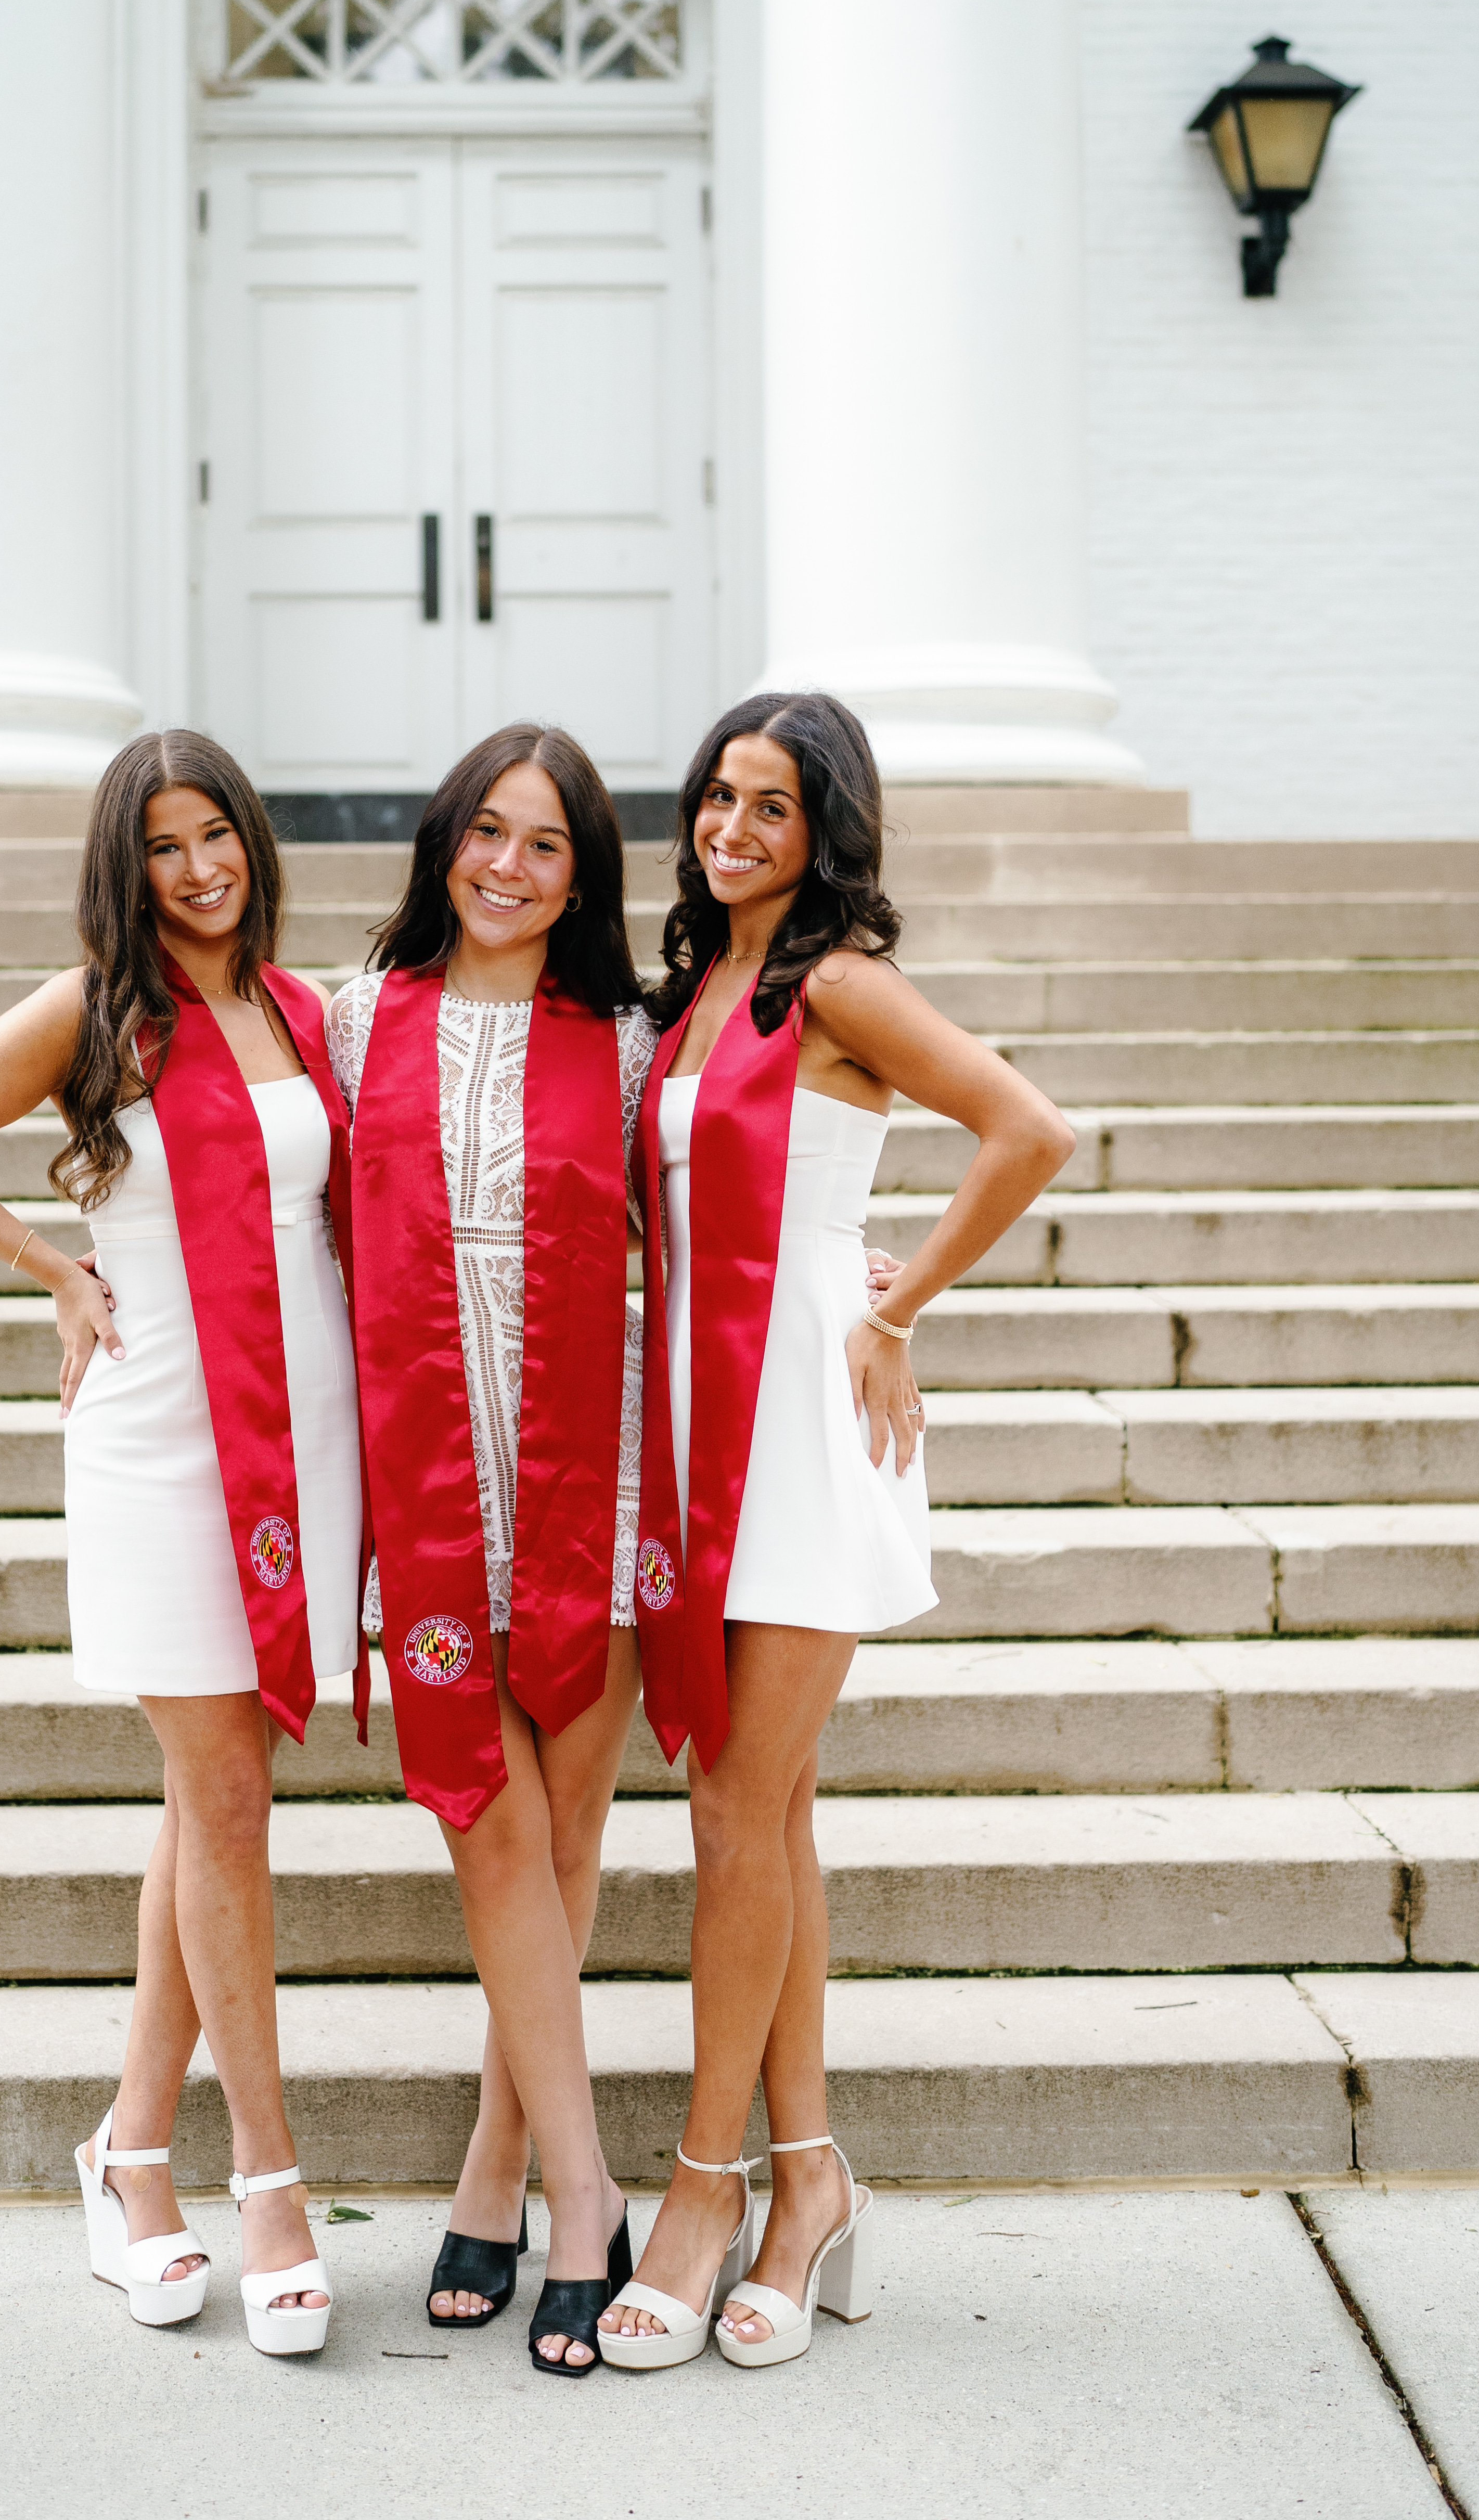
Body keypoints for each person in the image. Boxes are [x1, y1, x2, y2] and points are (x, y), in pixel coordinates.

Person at [0, 729, 361, 2358]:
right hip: (161, 1440)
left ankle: (125, 2154)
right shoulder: (98, 1011)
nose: (200, 870)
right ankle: (267, 2180)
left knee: (206, 1802)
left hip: (306, 1439)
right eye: (164, 848)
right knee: (224, 1803)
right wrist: (57, 1269)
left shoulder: (298, 1010)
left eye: (219, 836)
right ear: (123, 867)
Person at [599, 691, 1075, 2374]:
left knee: (735, 1805)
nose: (735, 828)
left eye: (773, 806)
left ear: (826, 832)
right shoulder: (694, 990)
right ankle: (811, 2186)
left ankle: (701, 2191)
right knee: (766, 1810)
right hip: (692, 1425)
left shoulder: (839, 983)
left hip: (806, 1421)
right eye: (720, 796)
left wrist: (899, 1309)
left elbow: (1027, 1130)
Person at [326, 724, 654, 2374]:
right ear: (443, 840)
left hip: (589, 1494)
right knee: (493, 1831)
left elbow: (737, 1206)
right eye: (486, 832)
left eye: (546, 845)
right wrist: (71, 1265)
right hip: (433, 1488)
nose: (509, 867)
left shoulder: (637, 1045)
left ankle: (496, 2165)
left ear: (583, 875)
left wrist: (869, 1270)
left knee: (567, 1839)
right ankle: (578, 2191)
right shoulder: (345, 1019)